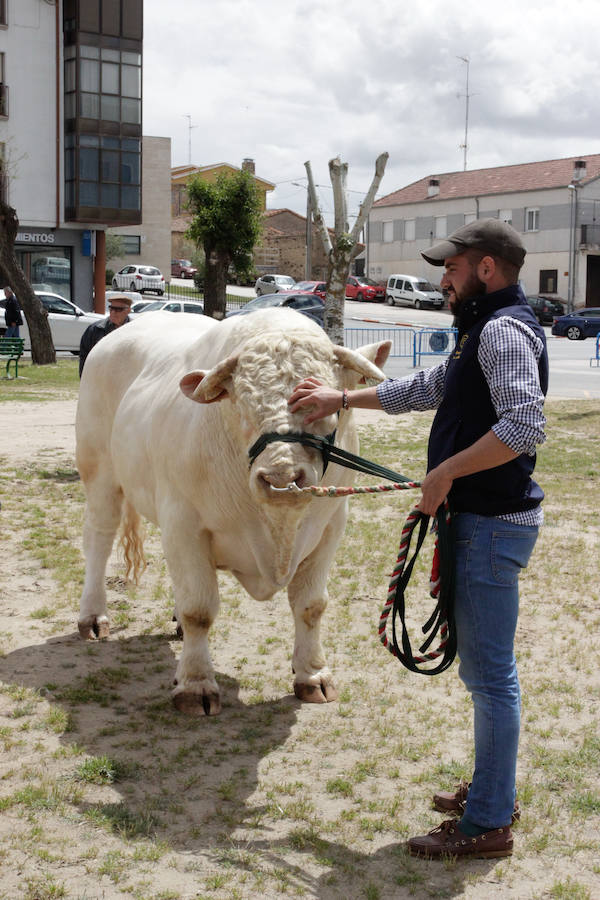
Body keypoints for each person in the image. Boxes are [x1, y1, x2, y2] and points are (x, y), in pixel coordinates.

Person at [288, 219, 548, 860]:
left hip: (488, 527)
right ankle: (490, 788)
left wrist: (445, 473)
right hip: (479, 522)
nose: (443, 279)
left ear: (485, 269)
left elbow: (524, 427)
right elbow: (430, 389)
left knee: (490, 679)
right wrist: (341, 398)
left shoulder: (502, 331)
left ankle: (488, 822)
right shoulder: (481, 333)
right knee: (485, 676)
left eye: (451, 269)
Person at [79, 294, 132, 376]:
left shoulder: (135, 331)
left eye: (118, 309)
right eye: (111, 309)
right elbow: (84, 356)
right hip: (100, 377)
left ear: (128, 310)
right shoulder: (95, 329)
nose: (113, 312)